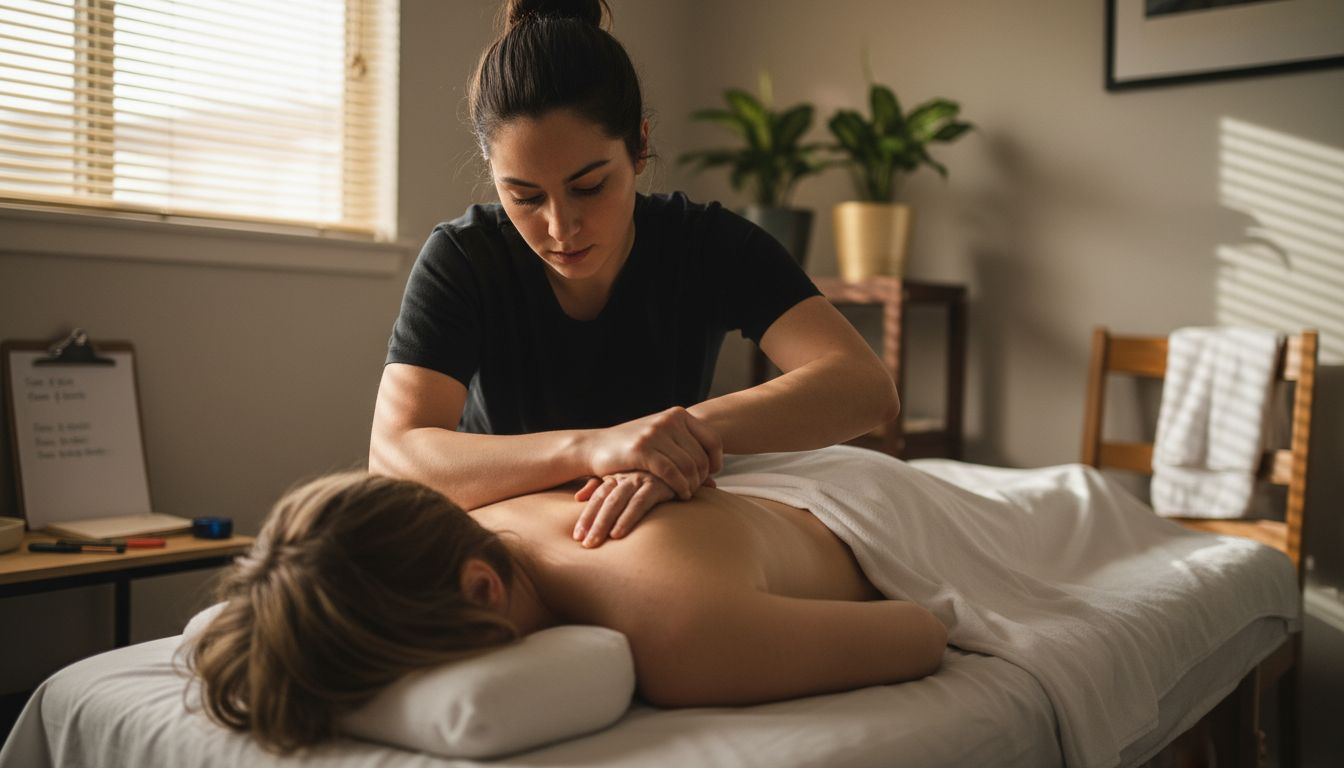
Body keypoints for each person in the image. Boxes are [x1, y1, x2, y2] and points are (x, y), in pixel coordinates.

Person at [368, 0, 898, 547]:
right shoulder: (464, 257)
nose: (560, 227)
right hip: (511, 519)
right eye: (523, 196)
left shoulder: (705, 243)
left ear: (640, 145)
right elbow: (393, 458)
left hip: (654, 522)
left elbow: (863, 387)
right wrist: (598, 447)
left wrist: (673, 438)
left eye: (590, 186)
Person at [189, 470, 947, 753]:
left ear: (483, 591)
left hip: (876, 503)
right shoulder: (481, 514)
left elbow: (922, 631)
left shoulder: (678, 634)